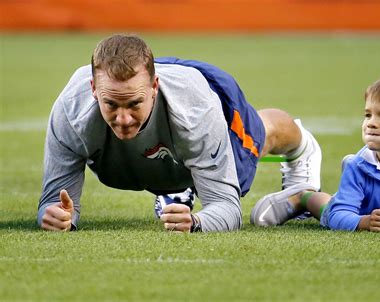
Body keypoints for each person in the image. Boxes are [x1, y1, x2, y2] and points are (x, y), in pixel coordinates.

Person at [38, 34, 322, 233]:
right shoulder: (70, 111)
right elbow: (53, 204)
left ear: (153, 87)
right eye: (110, 104)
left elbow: (227, 208)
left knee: (258, 137)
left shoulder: (197, 113)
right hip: (168, 126)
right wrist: (58, 217)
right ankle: (179, 182)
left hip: (200, 98)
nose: (123, 119)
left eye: (134, 104)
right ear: (93, 90)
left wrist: (196, 222)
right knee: (168, 151)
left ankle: (302, 148)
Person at [251, 76, 380, 232]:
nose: (371, 123)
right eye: (368, 115)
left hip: (377, 216)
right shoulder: (359, 165)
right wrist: (364, 221)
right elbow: (339, 215)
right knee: (328, 209)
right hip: (358, 213)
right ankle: (303, 195)